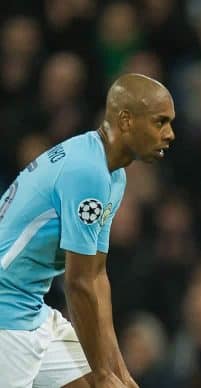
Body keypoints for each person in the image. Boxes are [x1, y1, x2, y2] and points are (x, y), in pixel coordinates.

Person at [0, 73, 175, 388]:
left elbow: (96, 277)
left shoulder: (114, 174)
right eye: (159, 122)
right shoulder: (87, 173)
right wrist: (104, 372)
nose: (170, 134)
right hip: (6, 319)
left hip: (30, 308)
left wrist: (118, 371)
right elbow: (77, 282)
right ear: (126, 121)